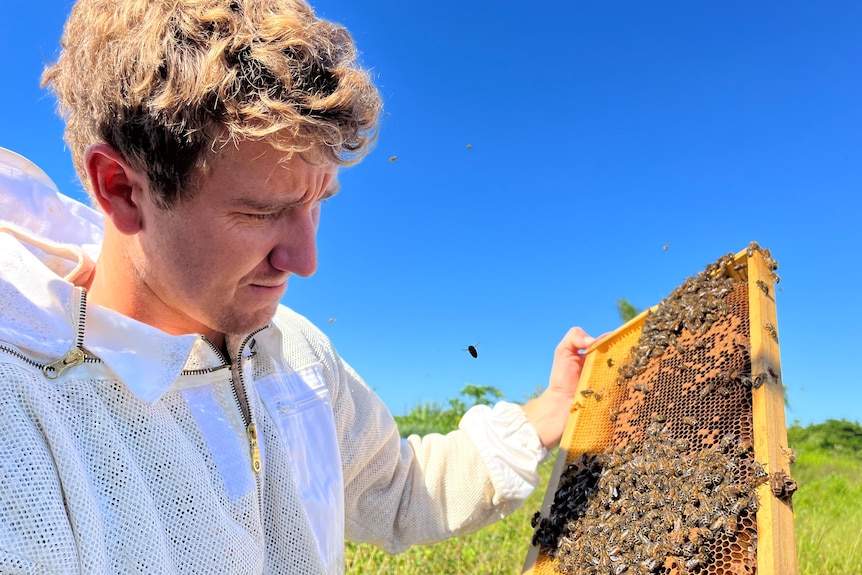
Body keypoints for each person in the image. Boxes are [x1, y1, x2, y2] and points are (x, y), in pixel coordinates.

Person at [0, 0, 596, 572]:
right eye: (261, 211)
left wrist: (546, 412)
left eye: (318, 204)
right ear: (122, 189)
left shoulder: (295, 351)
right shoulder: (24, 416)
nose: (305, 260)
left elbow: (397, 488)